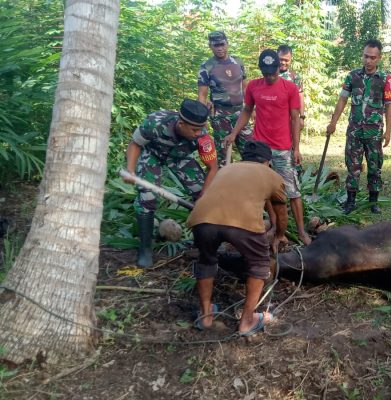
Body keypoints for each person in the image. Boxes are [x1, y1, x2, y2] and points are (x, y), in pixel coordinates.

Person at [187, 141, 287, 334]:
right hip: (243, 224)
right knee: (259, 264)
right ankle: (247, 321)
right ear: (268, 161)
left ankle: (206, 315)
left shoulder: (227, 169)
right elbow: (281, 214)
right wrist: (279, 235)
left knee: (206, 260)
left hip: (202, 219)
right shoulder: (273, 176)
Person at [224, 49, 311, 246]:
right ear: (261, 70)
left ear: (278, 69)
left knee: (292, 191)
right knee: (264, 190)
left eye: (273, 72)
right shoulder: (254, 86)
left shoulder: (289, 88)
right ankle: (274, 225)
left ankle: (301, 230)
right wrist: (234, 133)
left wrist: (296, 148)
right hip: (260, 148)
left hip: (282, 147)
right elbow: (247, 110)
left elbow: (295, 118)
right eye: (266, 73)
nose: (270, 76)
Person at [123, 99, 219, 268]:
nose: (198, 133)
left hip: (180, 158)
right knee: (147, 197)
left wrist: (203, 197)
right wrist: (130, 170)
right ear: (181, 124)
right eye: (194, 129)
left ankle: (201, 243)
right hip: (153, 154)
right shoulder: (156, 122)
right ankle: (145, 249)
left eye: (201, 128)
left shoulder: (203, 138)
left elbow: (212, 168)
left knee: (203, 195)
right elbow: (135, 144)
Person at [326, 39, 391, 214]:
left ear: (379, 58)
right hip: (355, 130)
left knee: (375, 166)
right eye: (366, 56)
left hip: (374, 131)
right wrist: (333, 122)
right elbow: (342, 99)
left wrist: (388, 131)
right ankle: (350, 201)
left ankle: (373, 202)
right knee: (353, 166)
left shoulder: (385, 79)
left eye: (372, 57)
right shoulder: (352, 76)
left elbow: (389, 105)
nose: (368, 61)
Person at [197, 30, 252, 165]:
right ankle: (226, 183)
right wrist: (202, 118)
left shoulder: (238, 62)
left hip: (241, 113)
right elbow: (202, 95)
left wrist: (252, 109)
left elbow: (246, 88)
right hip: (220, 116)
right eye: (216, 45)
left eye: (222, 44)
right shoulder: (206, 66)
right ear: (210, 46)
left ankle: (251, 181)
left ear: (227, 44)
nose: (220, 48)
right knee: (223, 154)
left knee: (251, 149)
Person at [278, 45, 306, 130]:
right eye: (281, 59)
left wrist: (301, 117)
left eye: (286, 60)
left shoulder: (294, 77)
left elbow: (300, 96)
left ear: (290, 60)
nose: (283, 62)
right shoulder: (269, 75)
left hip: (290, 119)